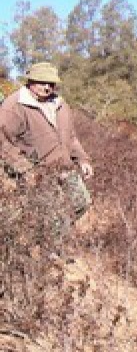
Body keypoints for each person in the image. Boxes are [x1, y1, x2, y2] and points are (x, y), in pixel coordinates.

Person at [0, 62, 93, 233]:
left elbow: (70, 136)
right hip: (37, 172)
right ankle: (50, 252)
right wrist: (25, 169)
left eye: (51, 83)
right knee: (51, 215)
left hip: (65, 167)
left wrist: (82, 159)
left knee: (81, 202)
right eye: (43, 82)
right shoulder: (13, 106)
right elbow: (2, 143)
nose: (47, 87)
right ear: (31, 81)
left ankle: (49, 240)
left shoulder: (60, 104)